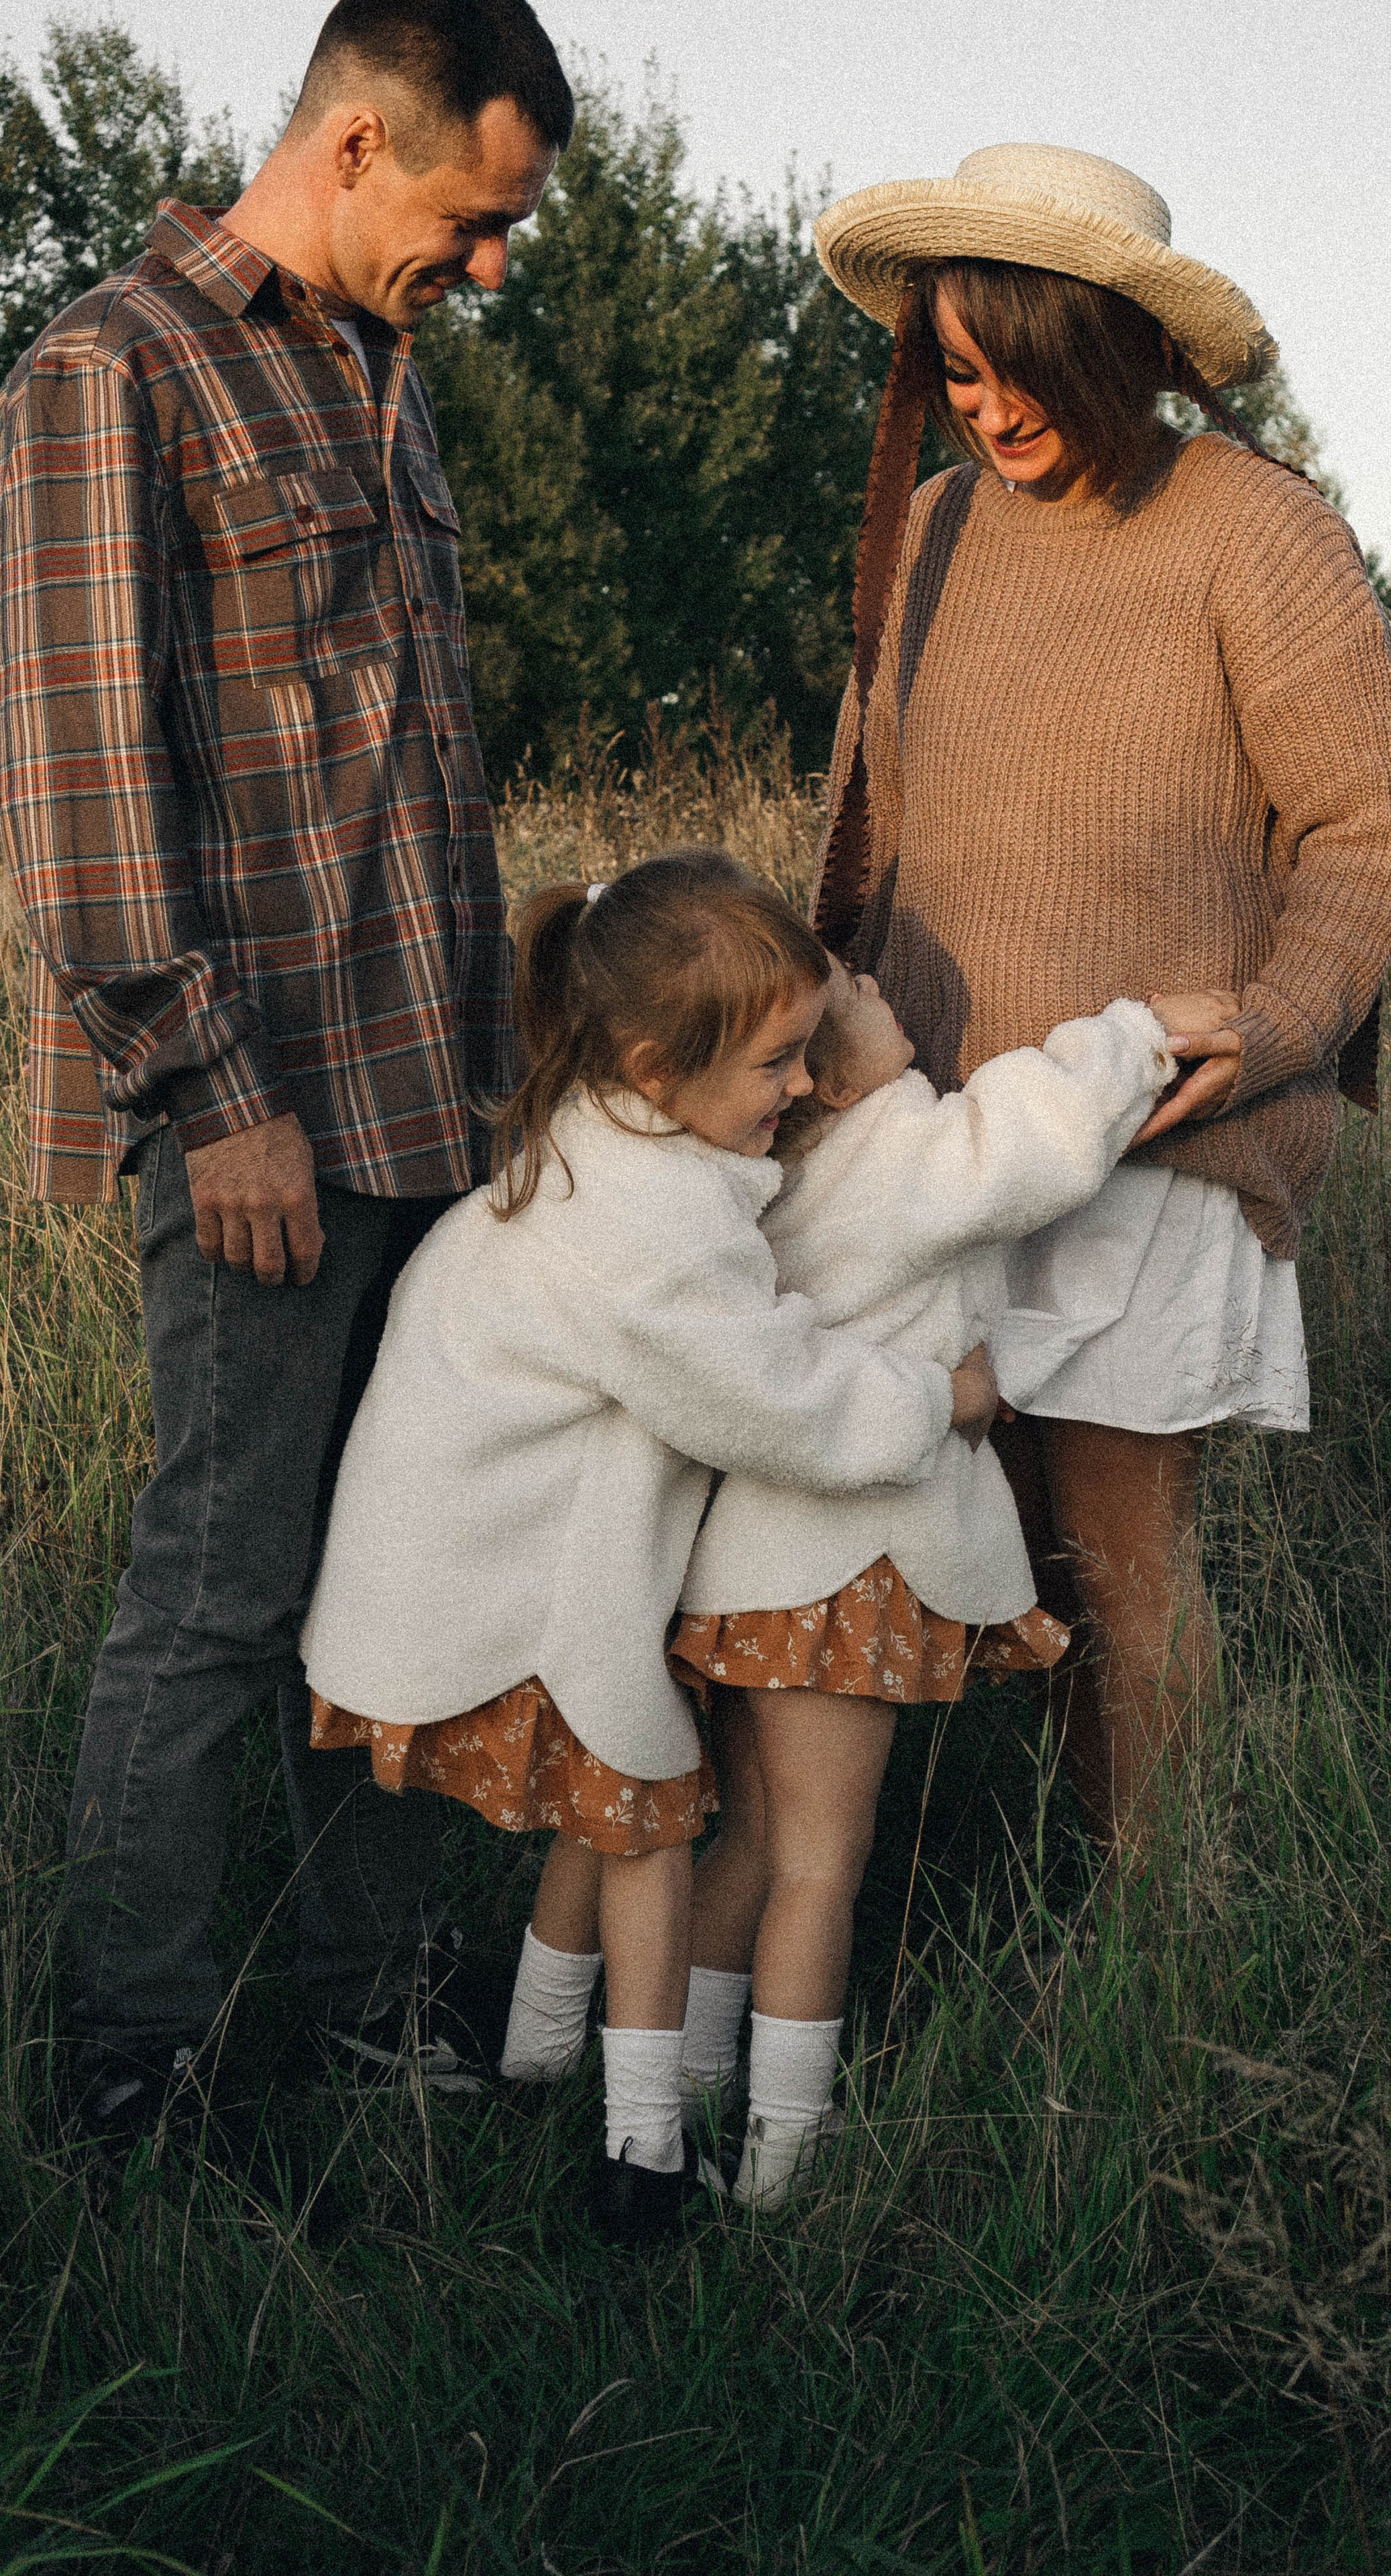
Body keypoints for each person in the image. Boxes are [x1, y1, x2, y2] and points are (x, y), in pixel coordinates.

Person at [0, 0, 575, 2170]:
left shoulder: (384, 383)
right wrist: (208, 1092)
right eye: (474, 218)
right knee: (220, 1599)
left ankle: (369, 2009)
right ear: (352, 144)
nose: (489, 267)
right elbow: (81, 790)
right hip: (262, 1126)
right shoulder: (110, 369)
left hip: (432, 1106)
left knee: (400, 1577)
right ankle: (132, 2069)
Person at [808, 144, 1391, 1862]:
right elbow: (865, 812)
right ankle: (999, 1891)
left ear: (1128, 352)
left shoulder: (1255, 528)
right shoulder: (931, 530)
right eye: (956, 370)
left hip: (1151, 1135)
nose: (991, 409)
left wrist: (1277, 1023)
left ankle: (1163, 1939)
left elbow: (1359, 824)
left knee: (1113, 1558)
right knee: (971, 1546)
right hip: (936, 1148)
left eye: (1026, 369)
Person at [300, 853, 1000, 2245]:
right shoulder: (649, 1226)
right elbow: (771, 1396)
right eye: (774, 1066)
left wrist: (828, 1087)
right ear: (654, 1067)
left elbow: (740, 1313)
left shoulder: (605, 1134)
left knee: (606, 1803)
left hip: (473, 1542)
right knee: (652, 1823)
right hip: (507, 1572)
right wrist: (940, 1402)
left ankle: (534, 2057)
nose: (798, 1088)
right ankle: (644, 2152)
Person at [665, 957, 1173, 2206]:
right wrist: (1137, 1035)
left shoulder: (758, 1180)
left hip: (751, 1566)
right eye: (856, 990)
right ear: (834, 1082)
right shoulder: (896, 1146)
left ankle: (682, 2096)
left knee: (753, 1844)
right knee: (821, 1869)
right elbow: (1031, 1146)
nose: (875, 975)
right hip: (849, 1572)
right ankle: (784, 2151)